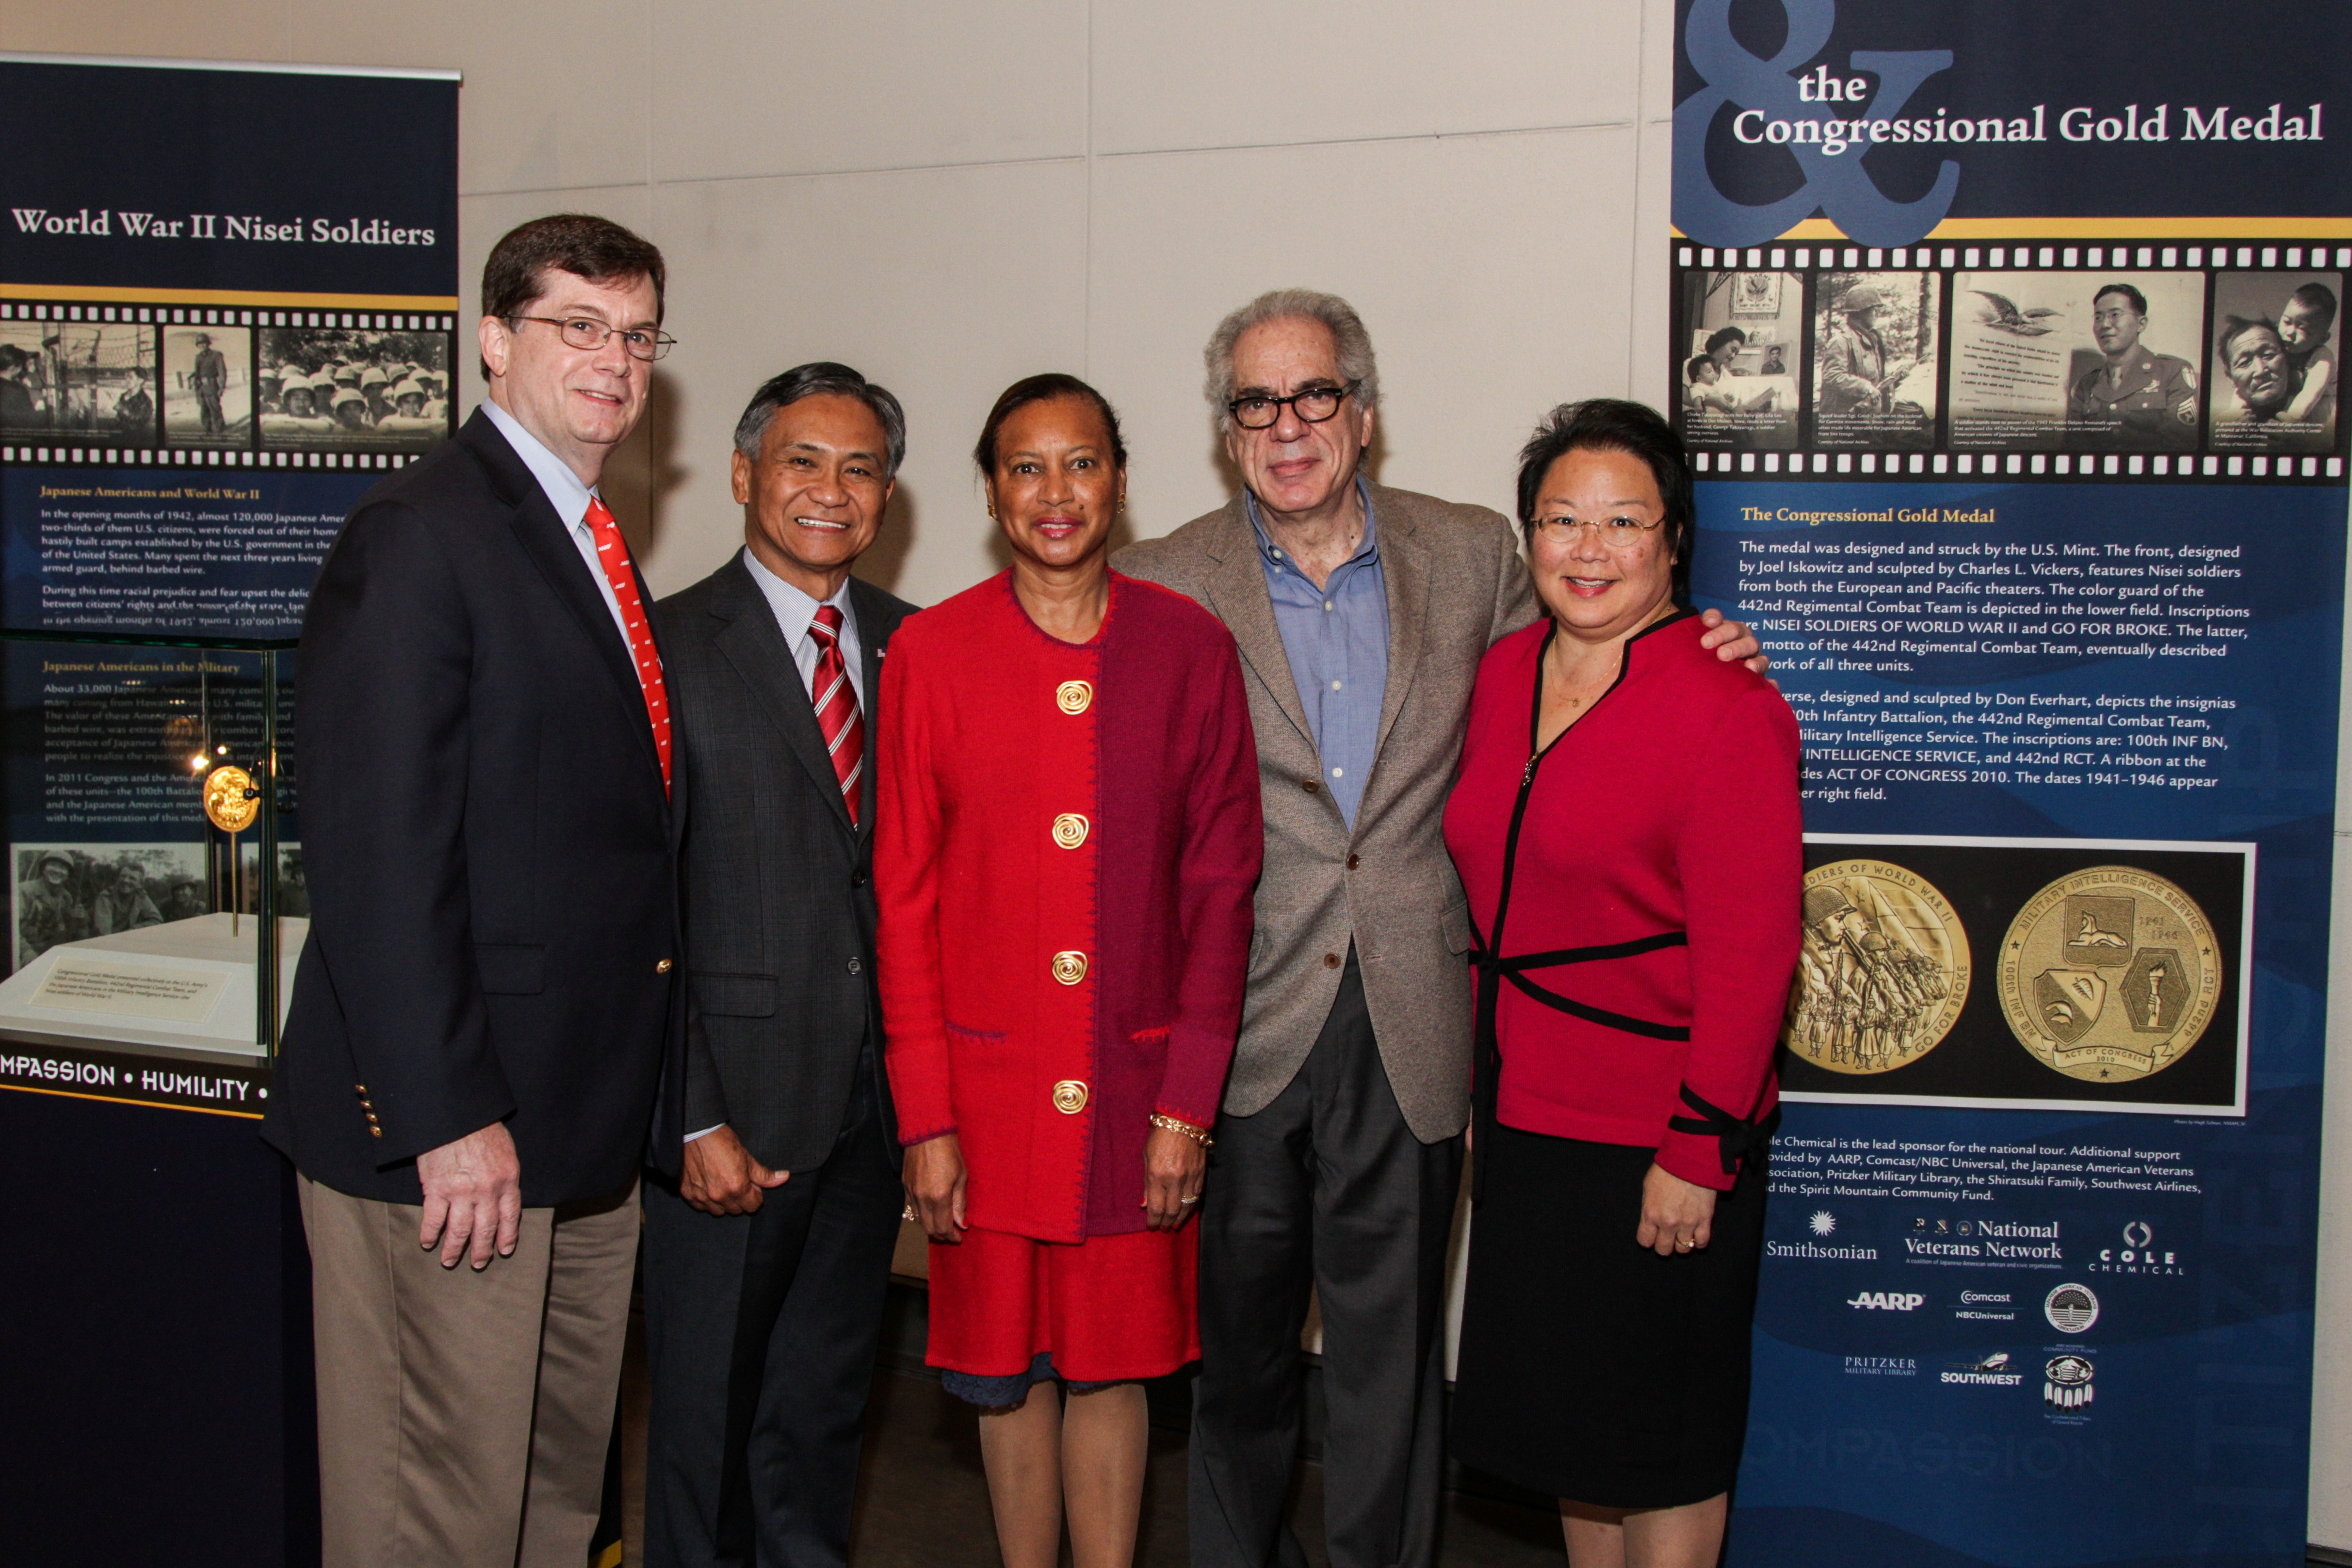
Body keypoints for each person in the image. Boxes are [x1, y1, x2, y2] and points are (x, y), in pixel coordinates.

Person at [1113, 289, 1761, 1568]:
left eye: (1315, 396)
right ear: (1225, 425)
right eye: (1257, 402)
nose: (1288, 425)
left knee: (1390, 1365)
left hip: (1419, 1020)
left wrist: (1700, 640)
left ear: (1364, 411)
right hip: (1235, 1026)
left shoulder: (1471, 554)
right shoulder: (1163, 583)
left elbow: (1599, 669)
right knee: (1235, 1362)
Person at [261, 213, 686, 1568]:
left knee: (550, 1506)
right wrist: (447, 1117)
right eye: (579, 326)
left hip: (575, 1133)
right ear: (494, 339)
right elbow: (376, 854)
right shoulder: (422, 532)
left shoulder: (581, 534)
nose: (613, 361)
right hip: (453, 1147)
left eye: (637, 334)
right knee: (431, 1518)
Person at [882, 373, 1262, 1568]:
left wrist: (1186, 1110)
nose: (1056, 492)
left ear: (1119, 477)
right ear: (992, 491)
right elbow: (902, 900)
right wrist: (925, 1117)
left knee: (1114, 1365)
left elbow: (1220, 891)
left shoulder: (1189, 648)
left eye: (1082, 461)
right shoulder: (930, 652)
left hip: (1134, 1086)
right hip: (985, 1099)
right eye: (1027, 466)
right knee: (1003, 1376)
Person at [1444, 398, 1798, 1568]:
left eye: (1621, 521)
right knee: (1572, 1443)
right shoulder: (1501, 672)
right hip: (1526, 1125)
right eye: (1559, 519)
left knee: (1662, 1447)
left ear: (1672, 538)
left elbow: (1753, 959)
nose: (1586, 549)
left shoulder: (1725, 703)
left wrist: (1697, 1149)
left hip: (1661, 1140)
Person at [643, 363, 918, 1568]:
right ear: (746, 475)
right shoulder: (662, 647)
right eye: (803, 460)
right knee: (704, 1423)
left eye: (860, 468)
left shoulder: (916, 648)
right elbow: (641, 908)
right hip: (729, 1112)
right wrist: (687, 1108)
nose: (830, 489)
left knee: (820, 1412)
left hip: (868, 1111)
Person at [2066, 283, 2197, 451]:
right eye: (2098, 317)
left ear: (2141, 324)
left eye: (2115, 314)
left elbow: (2181, 443)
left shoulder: (2173, 372)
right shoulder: (2086, 385)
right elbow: (2075, 446)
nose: (2104, 324)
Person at [2217, 315, 2326, 452]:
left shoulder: (2330, 412)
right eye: (2244, 363)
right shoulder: (2217, 429)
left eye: (2268, 355)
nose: (2260, 370)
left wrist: (2310, 446)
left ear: (2288, 360)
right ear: (2230, 378)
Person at [1817, 284, 1914, 420]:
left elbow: (1875, 382)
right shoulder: (1841, 341)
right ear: (1862, 311)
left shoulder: (1870, 339)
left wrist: (1894, 379)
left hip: (1868, 414)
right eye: (1874, 310)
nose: (1877, 314)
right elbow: (1833, 377)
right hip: (1844, 420)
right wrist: (1866, 387)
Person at [2279, 281, 2338, 428]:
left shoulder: (2323, 358)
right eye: (2287, 322)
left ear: (2322, 338)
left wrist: (2291, 419)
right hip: (2289, 404)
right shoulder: (2278, 346)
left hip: (2317, 410)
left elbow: (2311, 392)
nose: (2291, 332)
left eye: (2302, 329)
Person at [17, 851, 87, 965]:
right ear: (43, 868)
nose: (57, 871)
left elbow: (68, 933)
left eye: (63, 868)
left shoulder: (67, 898)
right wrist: (26, 951)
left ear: (68, 875)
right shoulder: (24, 891)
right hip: (23, 951)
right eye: (53, 865)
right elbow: (12, 929)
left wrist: (81, 920)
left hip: (50, 953)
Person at [91, 864, 162, 934]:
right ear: (118, 879)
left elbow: (157, 921)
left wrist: (135, 930)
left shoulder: (140, 896)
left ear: (140, 884)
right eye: (123, 876)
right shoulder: (106, 897)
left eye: (132, 878)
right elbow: (104, 931)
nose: (126, 881)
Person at [190, 332, 228, 436]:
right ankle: (208, 429)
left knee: (215, 408)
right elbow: (197, 372)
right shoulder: (198, 357)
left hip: (212, 385)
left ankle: (220, 430)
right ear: (197, 346)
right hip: (201, 387)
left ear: (208, 344)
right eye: (199, 344)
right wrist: (193, 380)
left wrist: (222, 387)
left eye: (204, 343)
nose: (202, 346)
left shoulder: (216, 355)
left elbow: (222, 371)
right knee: (204, 410)